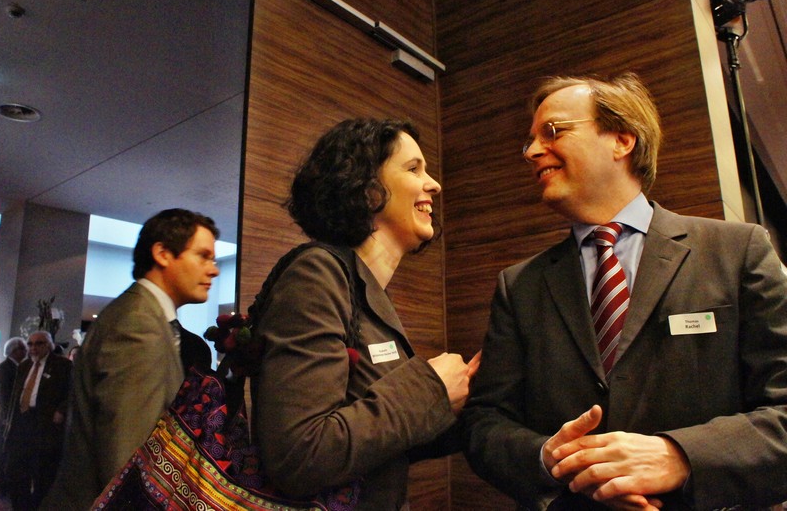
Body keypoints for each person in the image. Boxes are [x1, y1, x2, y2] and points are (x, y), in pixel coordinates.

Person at [462, 73, 787, 510]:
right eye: (531, 141)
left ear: (621, 140)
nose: (533, 151)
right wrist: (551, 458)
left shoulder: (737, 251)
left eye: (553, 131)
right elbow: (485, 422)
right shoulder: (519, 286)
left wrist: (681, 456)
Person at [253, 118, 480, 509]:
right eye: (414, 169)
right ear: (365, 187)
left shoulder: (367, 291)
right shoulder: (317, 274)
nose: (434, 185)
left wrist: (478, 399)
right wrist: (431, 388)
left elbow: (382, 441)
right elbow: (298, 455)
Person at [43, 208, 220, 510]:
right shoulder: (138, 323)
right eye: (203, 256)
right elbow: (128, 462)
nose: (213, 270)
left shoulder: (146, 316)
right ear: (163, 254)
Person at [3, 331, 72, 510]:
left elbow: (73, 392)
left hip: (45, 424)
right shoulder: (24, 365)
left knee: (42, 474)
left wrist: (61, 410)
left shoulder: (62, 365)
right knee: (15, 471)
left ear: (49, 345)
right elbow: (16, 394)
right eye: (30, 344)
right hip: (21, 422)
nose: (33, 348)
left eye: (39, 343)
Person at [0, 337, 27, 497]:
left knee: (5, 454)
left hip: (7, 420)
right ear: (14, 351)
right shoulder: (4, 368)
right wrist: (6, 418)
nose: (25, 351)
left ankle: (1, 485)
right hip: (2, 421)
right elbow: (1, 396)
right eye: (22, 348)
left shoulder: (15, 368)